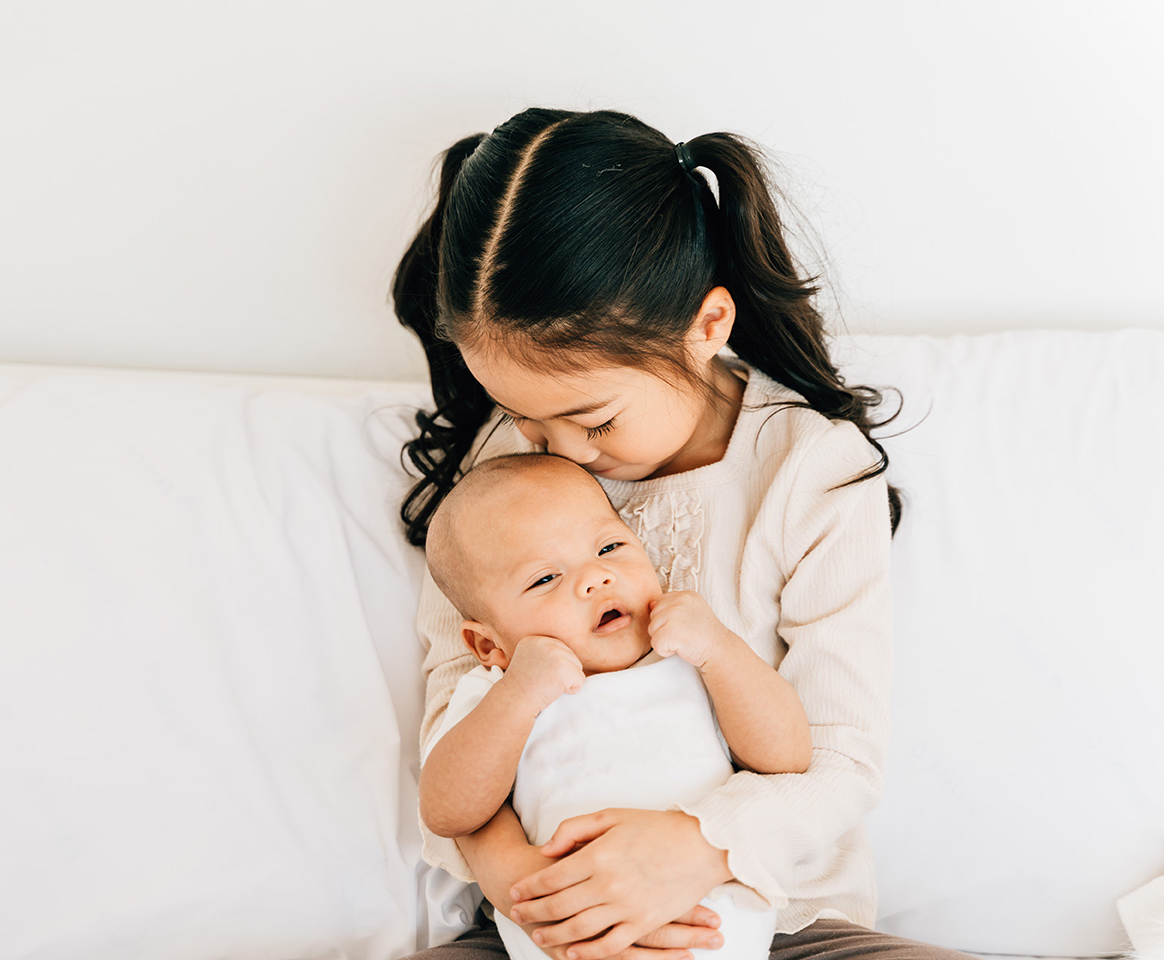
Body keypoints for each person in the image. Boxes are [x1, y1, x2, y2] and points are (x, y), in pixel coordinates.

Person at [391, 108, 971, 960]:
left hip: (780, 924)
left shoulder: (808, 471)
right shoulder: (500, 472)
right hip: (545, 927)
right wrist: (550, 899)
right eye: (523, 418)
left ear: (706, 327)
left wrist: (694, 848)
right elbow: (454, 754)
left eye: (591, 419)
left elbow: (840, 765)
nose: (557, 454)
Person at [418, 452, 810, 960]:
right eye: (544, 579)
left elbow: (788, 758)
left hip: (715, 934)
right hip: (573, 939)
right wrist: (519, 694)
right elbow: (448, 812)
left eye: (609, 546)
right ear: (491, 645)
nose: (595, 577)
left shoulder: (690, 656)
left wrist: (720, 650)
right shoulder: (498, 690)